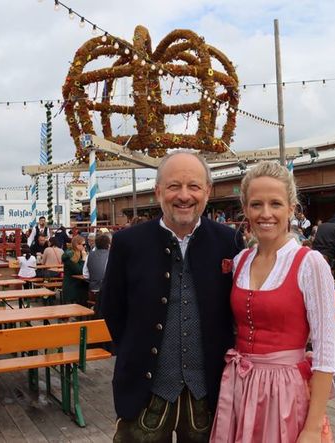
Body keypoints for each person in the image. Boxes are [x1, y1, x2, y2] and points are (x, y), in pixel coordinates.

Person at [101, 151, 243, 442]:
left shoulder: (228, 240)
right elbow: (111, 308)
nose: (184, 195)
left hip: (209, 392)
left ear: (207, 191)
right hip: (144, 392)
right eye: (174, 186)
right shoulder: (128, 242)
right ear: (158, 192)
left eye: (193, 186)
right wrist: (136, 351)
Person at [210, 161, 335, 442]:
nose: (266, 214)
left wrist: (313, 428)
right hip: (240, 386)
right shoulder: (241, 261)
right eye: (256, 204)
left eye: (276, 204)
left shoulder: (309, 263)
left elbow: (326, 355)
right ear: (245, 209)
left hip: (286, 393)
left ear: (291, 208)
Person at [61, 235, 87, 305]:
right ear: (76, 245)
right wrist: (84, 259)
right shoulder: (69, 256)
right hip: (71, 287)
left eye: (85, 244)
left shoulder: (80, 253)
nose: (85, 246)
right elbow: (79, 270)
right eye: (83, 244)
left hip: (78, 285)